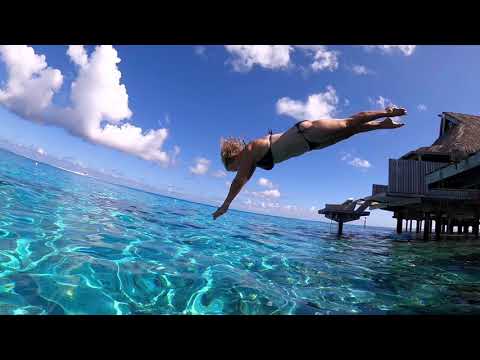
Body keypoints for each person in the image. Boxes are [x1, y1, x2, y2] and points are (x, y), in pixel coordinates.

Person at [212, 106, 407, 220]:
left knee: (349, 123)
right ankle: (383, 125)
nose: (236, 170)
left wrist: (226, 204)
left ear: (233, 158)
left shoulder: (249, 151)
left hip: (306, 132)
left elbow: (239, 180)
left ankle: (385, 112)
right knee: (351, 131)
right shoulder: (252, 160)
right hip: (310, 144)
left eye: (233, 168)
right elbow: (244, 177)